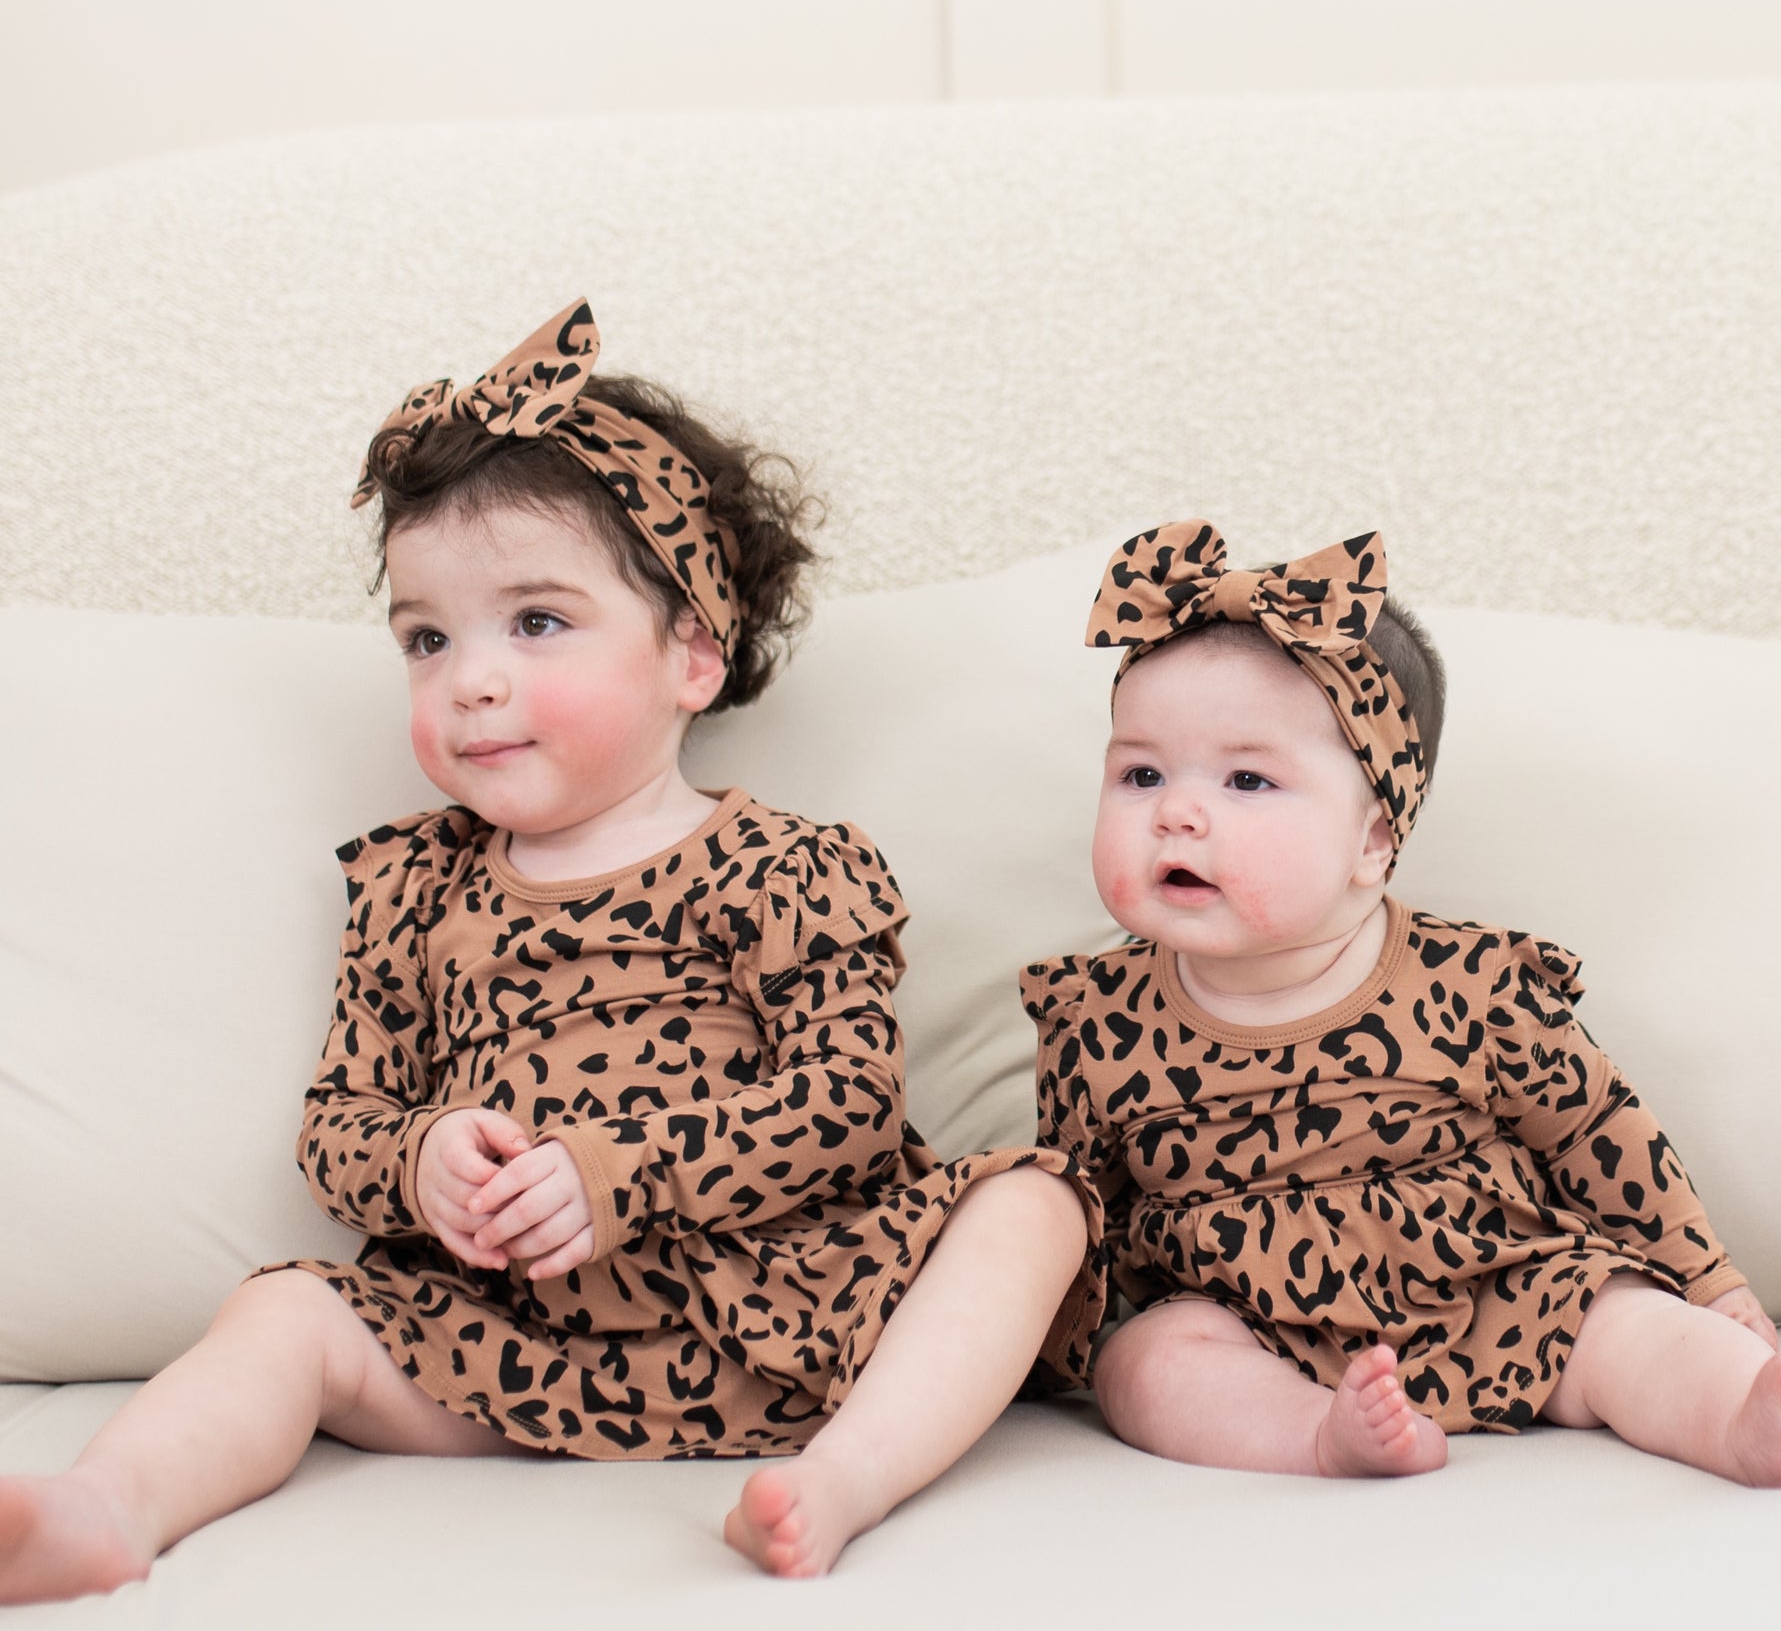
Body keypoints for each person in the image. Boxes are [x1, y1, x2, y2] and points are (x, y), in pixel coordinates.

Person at [0, 301, 1100, 1602]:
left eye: (534, 623)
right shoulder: (414, 885)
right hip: (512, 1349)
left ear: (693, 651)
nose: (469, 678)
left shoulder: (787, 867)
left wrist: (617, 1169)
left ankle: (843, 1479)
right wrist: (418, 1164)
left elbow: (845, 1108)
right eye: (428, 637)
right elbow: (340, 1125)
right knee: (289, 1309)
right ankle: (108, 1506)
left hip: (788, 1324)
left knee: (1031, 1203)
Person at [1028, 516, 1781, 1482]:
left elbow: (1597, 1132)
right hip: (1247, 1322)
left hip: (1492, 1288)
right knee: (1147, 1362)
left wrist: (1710, 1282)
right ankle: (1319, 1436)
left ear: (1373, 843)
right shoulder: (1095, 1022)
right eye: (1140, 773)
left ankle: (1739, 1416)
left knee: (1617, 1320)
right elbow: (1071, 1210)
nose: (1177, 812)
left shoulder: (1473, 986)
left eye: (1247, 779)